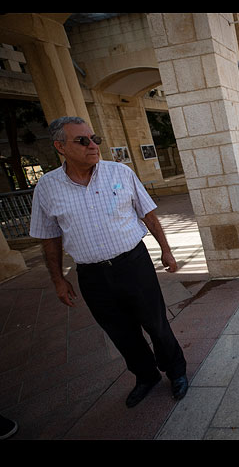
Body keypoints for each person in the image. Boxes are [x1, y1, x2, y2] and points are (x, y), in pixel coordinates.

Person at [29, 116, 188, 409]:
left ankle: (176, 371)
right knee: (121, 333)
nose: (93, 145)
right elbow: (49, 238)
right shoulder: (47, 187)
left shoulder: (120, 173)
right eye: (83, 140)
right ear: (60, 147)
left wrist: (166, 250)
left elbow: (148, 214)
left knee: (156, 323)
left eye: (94, 139)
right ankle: (146, 376)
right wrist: (57, 280)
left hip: (134, 264)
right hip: (93, 276)